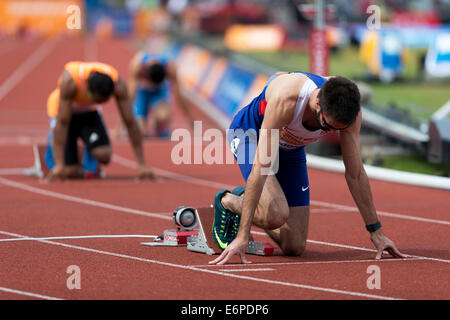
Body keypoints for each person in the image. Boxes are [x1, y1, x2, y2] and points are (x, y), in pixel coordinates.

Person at [209, 71, 405, 265]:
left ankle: (251, 199)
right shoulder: (287, 99)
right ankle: (228, 202)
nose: (331, 132)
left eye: (339, 129)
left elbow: (356, 174)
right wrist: (243, 235)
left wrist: (376, 231)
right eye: (327, 126)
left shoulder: (351, 112)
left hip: (291, 147)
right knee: (275, 214)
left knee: (294, 246)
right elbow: (260, 169)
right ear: (318, 103)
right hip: (251, 134)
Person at [45, 61, 156, 181]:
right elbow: (62, 123)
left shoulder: (118, 85)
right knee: (69, 172)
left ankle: (86, 152)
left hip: (88, 112)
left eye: (106, 99)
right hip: (65, 111)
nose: (103, 102)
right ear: (89, 91)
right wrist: (59, 164)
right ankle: (52, 150)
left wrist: (142, 164)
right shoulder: (70, 82)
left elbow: (130, 122)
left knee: (104, 154)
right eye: (100, 100)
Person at [115, 49, 194, 139]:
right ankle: (144, 125)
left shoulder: (170, 68)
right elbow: (130, 98)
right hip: (143, 93)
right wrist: (119, 127)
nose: (152, 85)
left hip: (160, 92)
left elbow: (179, 97)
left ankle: (161, 128)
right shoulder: (137, 66)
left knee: (163, 116)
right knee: (139, 132)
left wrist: (192, 121)